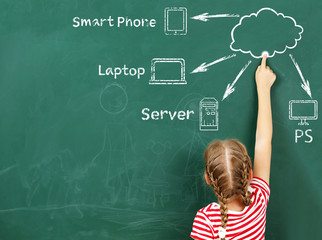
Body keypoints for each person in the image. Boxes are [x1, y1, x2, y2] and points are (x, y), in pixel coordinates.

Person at [190, 54, 276, 240]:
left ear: (208, 179)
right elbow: (263, 140)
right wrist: (264, 88)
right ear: (250, 175)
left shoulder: (206, 221)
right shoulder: (258, 201)